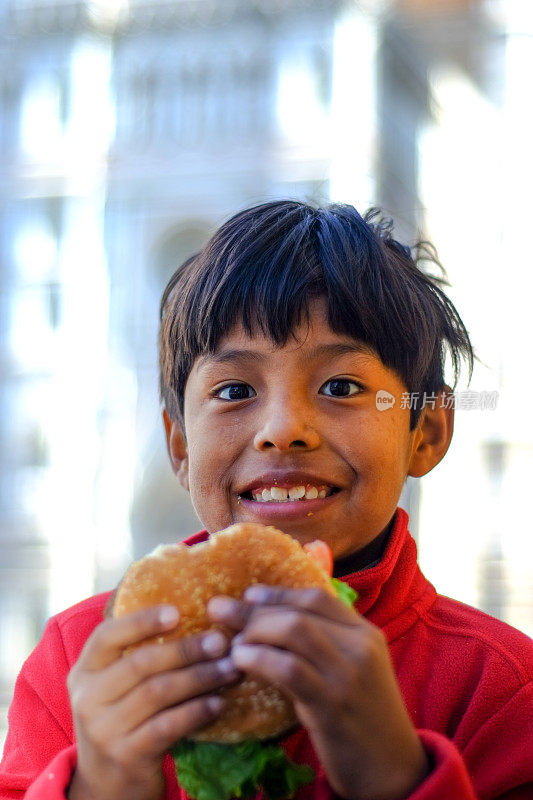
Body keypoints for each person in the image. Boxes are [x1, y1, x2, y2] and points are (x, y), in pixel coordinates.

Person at [1, 200, 532, 800]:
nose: (283, 428)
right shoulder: (81, 662)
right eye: (233, 389)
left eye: (341, 386)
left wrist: (395, 776)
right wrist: (105, 783)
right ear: (179, 445)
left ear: (425, 432)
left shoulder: (498, 687)